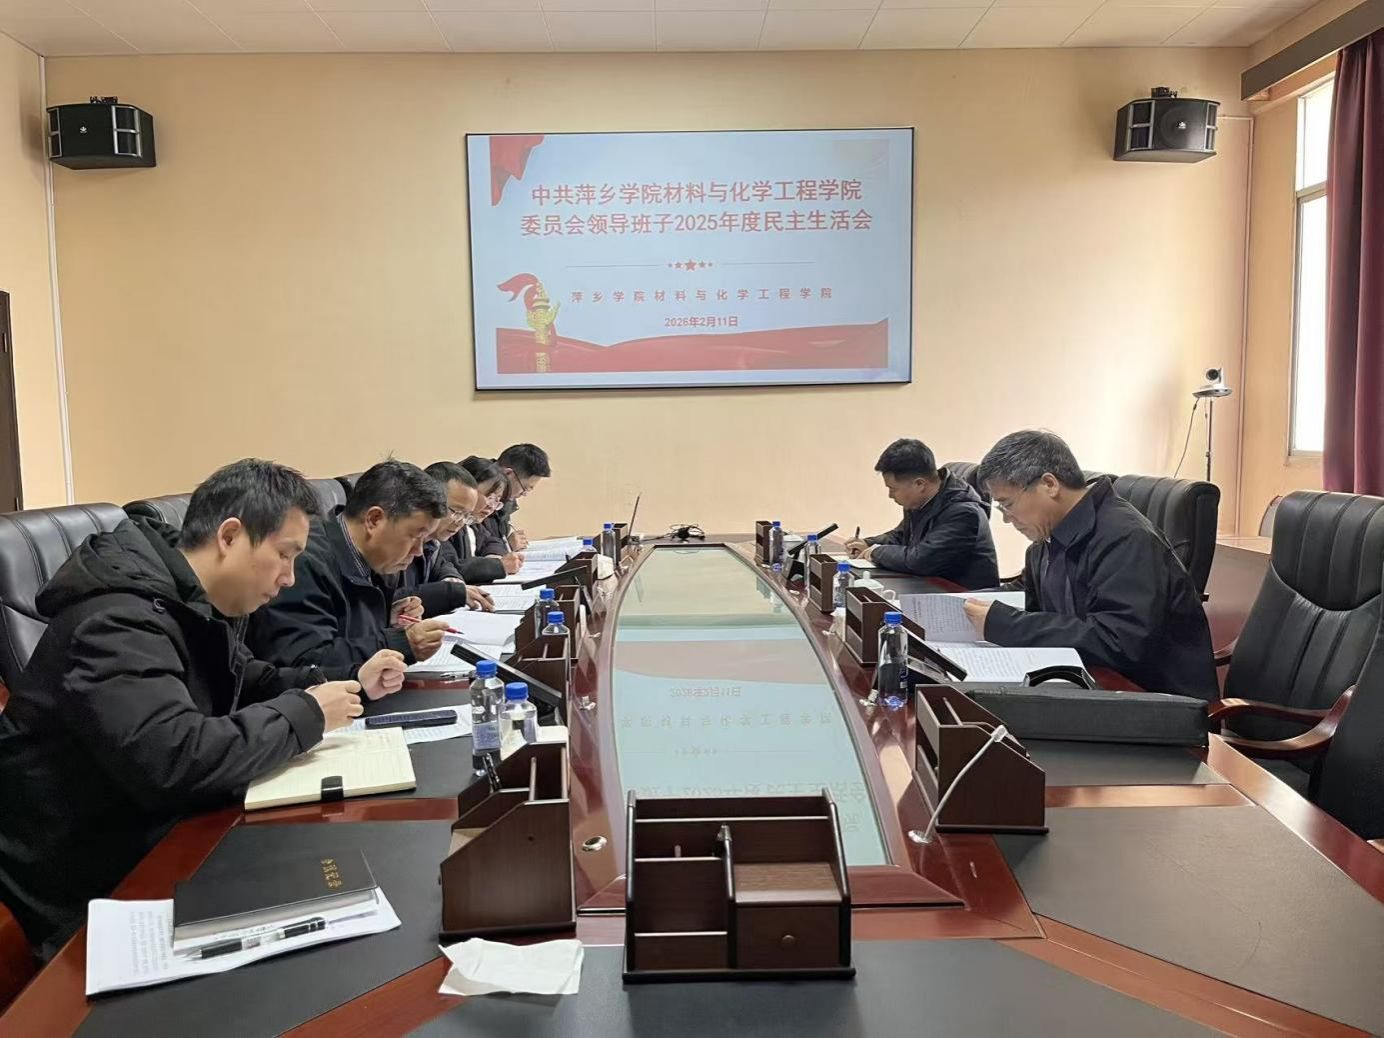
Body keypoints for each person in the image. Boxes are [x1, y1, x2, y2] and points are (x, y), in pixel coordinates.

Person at [0, 459, 408, 957]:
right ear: (230, 537)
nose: (288, 577)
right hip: (90, 880)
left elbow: (251, 680)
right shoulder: (117, 620)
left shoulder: (192, 601)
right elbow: (175, 758)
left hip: (162, 830)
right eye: (284, 555)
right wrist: (308, 713)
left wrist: (346, 683)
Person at [964, 430, 1217, 700]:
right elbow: (1029, 595)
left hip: (1156, 700)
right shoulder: (1050, 537)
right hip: (1095, 683)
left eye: (1007, 504)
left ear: (1049, 484)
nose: (1006, 519)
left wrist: (1006, 625)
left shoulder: (1126, 539)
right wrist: (962, 605)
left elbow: (1118, 641)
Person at [248, 459, 453, 669]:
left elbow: (343, 631)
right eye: (415, 536)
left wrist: (386, 621)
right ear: (374, 519)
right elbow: (305, 661)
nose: (419, 551)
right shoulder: (304, 561)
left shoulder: (373, 558)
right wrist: (400, 643)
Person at [843, 438, 999, 589]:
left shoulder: (963, 511)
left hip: (963, 596)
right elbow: (901, 536)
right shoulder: (920, 500)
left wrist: (876, 552)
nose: (890, 495)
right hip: (927, 587)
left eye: (893, 489)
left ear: (919, 484)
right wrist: (868, 543)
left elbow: (922, 560)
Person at [463, 456, 524, 576]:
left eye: (497, 500)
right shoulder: (450, 523)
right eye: (489, 497)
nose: (491, 506)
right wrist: (496, 566)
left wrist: (494, 557)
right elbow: (451, 566)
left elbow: (492, 541)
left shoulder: (473, 522)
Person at [485, 443, 551, 552]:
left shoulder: (505, 500)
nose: (524, 494)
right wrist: (506, 546)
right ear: (508, 473)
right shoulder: (479, 495)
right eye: (524, 488)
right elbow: (479, 548)